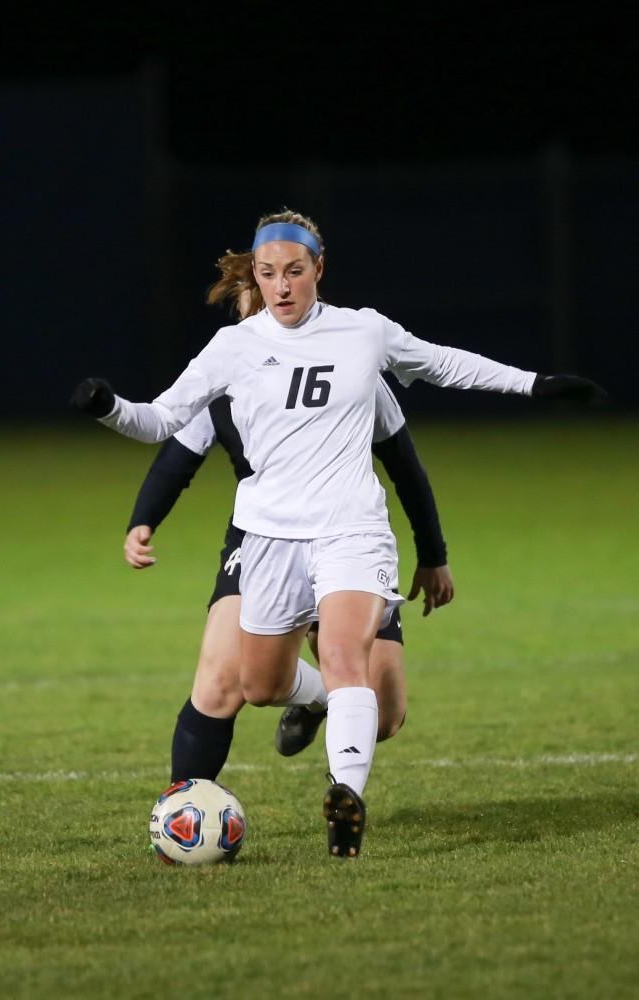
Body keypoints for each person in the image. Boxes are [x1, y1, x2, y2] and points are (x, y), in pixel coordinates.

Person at [72, 208, 606, 858]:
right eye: (268, 274)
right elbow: (159, 422)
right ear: (257, 277)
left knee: (345, 656)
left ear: (318, 269)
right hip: (268, 538)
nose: (282, 286)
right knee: (261, 684)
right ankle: (346, 709)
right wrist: (108, 408)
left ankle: (345, 802)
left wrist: (534, 384)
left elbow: (442, 363)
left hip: (350, 527)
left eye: (294, 271)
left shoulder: (363, 332)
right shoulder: (234, 347)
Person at [124, 252, 454, 789]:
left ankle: (335, 725)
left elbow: (405, 467)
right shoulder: (226, 380)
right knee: (220, 681)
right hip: (264, 540)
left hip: (346, 532)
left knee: (387, 712)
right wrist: (143, 522)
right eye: (257, 298)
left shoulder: (352, 371)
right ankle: (182, 810)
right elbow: (176, 459)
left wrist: (433, 555)